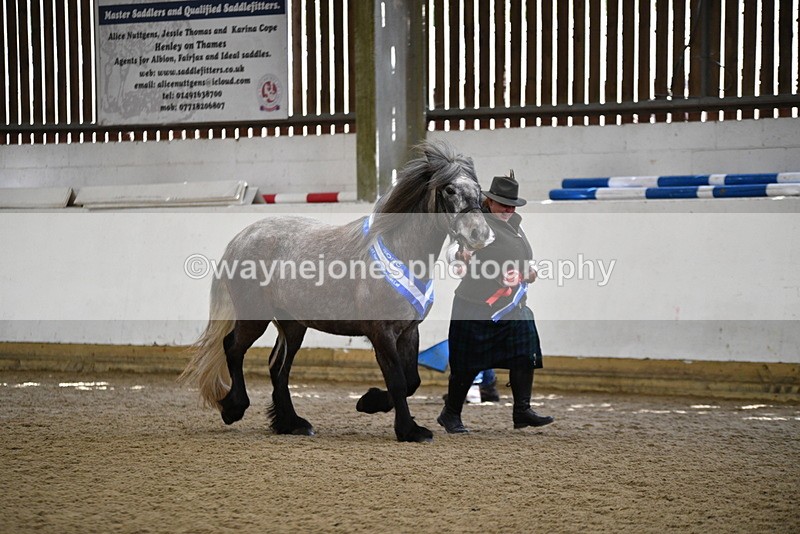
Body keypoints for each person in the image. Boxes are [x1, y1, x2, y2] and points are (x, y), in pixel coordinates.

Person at [438, 171, 554, 433]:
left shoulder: (516, 226)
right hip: (473, 305)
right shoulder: (476, 222)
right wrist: (462, 254)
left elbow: (531, 268)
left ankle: (522, 411)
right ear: (489, 201)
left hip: (513, 306)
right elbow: (453, 251)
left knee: (525, 355)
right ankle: (451, 414)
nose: (508, 209)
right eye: (502, 203)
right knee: (466, 364)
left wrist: (524, 274)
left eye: (511, 204)